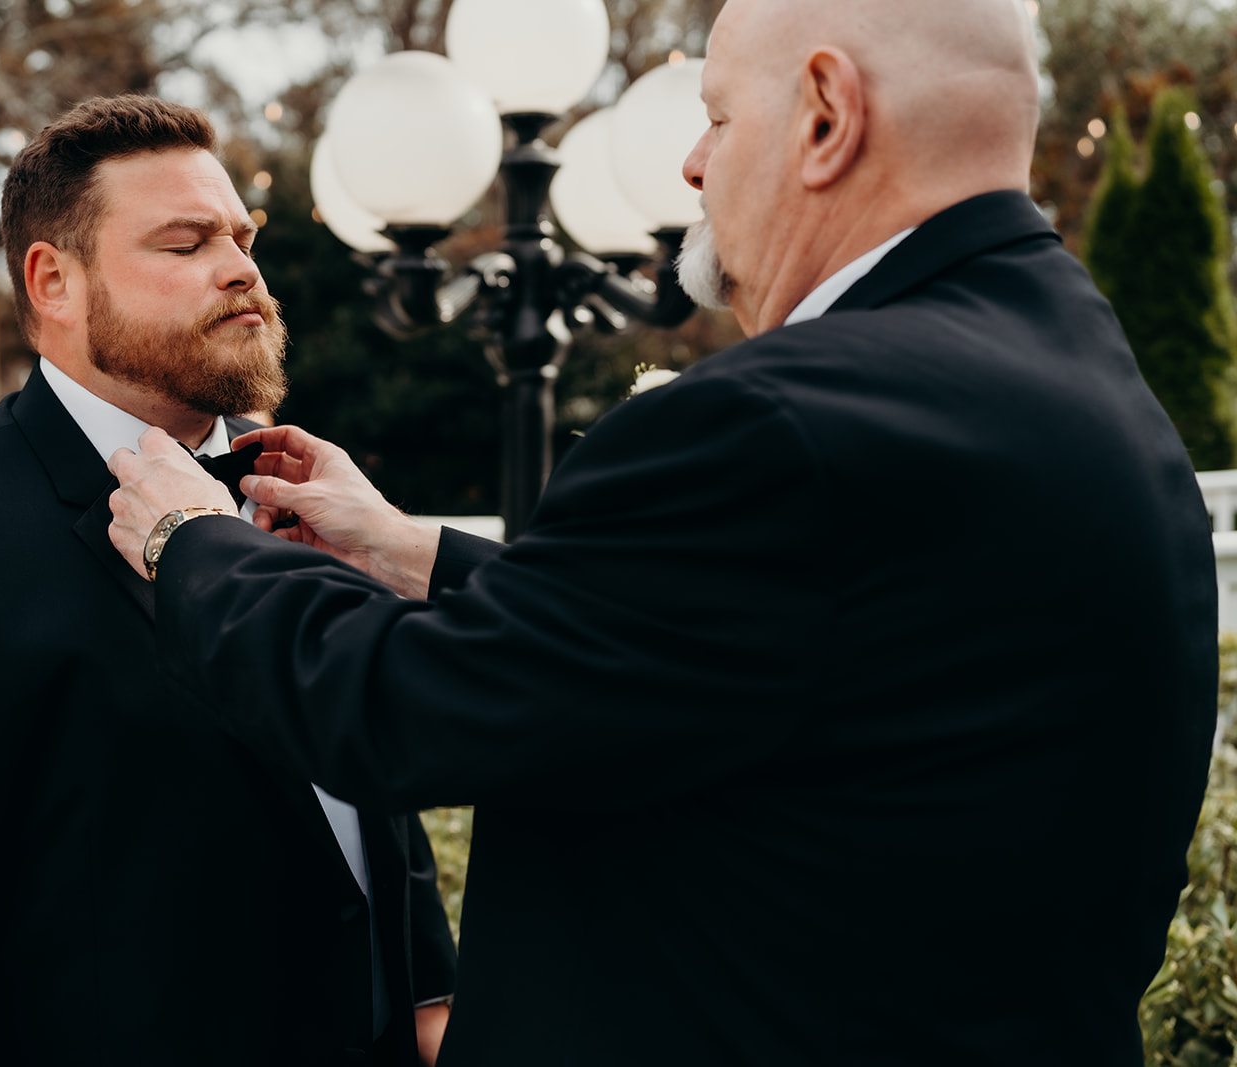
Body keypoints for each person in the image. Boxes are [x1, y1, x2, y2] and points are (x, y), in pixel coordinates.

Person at [103, 1, 1218, 1064]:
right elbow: (762, 645)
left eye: (720, 118)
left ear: (826, 116)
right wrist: (415, 551)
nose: (690, 165)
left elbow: (412, 714)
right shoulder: (1081, 379)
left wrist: (196, 544)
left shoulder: (779, 423)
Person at [0, 94, 456, 1067]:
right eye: (184, 244)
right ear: (54, 281)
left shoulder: (306, 492)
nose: (242, 268)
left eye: (242, 237)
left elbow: (352, 765)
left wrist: (429, 984)